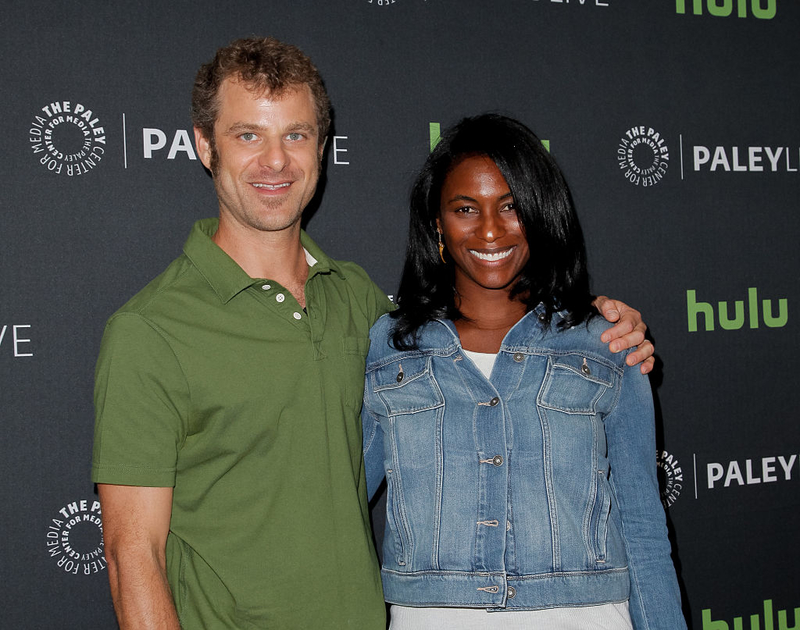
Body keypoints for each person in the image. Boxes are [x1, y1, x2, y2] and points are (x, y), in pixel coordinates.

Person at [92, 38, 655, 629]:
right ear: (205, 146)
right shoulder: (150, 332)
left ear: (322, 147)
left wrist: (595, 324)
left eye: (296, 134)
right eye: (248, 134)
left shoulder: (362, 305)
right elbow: (132, 555)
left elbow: (477, 318)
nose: (276, 161)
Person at [362, 114, 686, 629]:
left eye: (511, 207)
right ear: (436, 224)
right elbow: (341, 501)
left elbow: (643, 529)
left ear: (541, 214)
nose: (490, 230)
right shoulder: (389, 347)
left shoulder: (608, 343)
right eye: (465, 209)